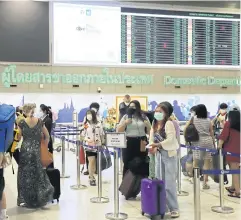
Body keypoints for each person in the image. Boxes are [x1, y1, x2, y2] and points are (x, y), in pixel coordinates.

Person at [17, 103, 54, 208]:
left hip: (25, 151)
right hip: (37, 151)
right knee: (38, 174)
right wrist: (44, 146)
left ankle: (26, 199)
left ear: (24, 111)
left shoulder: (22, 122)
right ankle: (39, 198)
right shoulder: (40, 121)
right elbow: (47, 136)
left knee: (25, 175)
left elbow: (18, 138)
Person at [149, 102, 180, 218]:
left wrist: (158, 144)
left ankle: (174, 208)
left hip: (169, 155)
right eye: (156, 111)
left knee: (170, 183)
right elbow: (151, 138)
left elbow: (171, 139)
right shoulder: (154, 124)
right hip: (159, 155)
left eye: (160, 111)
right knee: (160, 181)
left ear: (166, 113)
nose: (157, 113)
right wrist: (152, 146)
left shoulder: (169, 124)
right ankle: (163, 206)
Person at [117, 100, 151, 176]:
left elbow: (149, 132)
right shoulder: (125, 116)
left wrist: (148, 125)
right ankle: (126, 184)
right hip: (128, 141)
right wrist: (125, 123)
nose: (132, 108)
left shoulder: (143, 117)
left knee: (141, 161)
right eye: (130, 106)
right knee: (127, 162)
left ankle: (140, 183)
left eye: (134, 106)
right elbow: (119, 130)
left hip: (141, 141)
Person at [185, 104, 215, 190]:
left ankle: (196, 179)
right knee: (207, 162)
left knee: (196, 161)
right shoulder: (209, 120)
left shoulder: (194, 119)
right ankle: (205, 182)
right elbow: (211, 132)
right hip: (208, 141)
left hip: (197, 141)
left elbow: (187, 128)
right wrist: (213, 143)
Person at [218, 110, 240, 198]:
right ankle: (233, 187)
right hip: (238, 150)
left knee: (234, 170)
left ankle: (237, 191)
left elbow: (223, 136)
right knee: (235, 169)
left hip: (230, 150)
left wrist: (219, 146)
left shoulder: (228, 124)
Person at [81, 109, 105, 186]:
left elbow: (102, 134)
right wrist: (87, 139)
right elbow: (82, 135)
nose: (89, 116)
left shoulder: (99, 124)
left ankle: (92, 175)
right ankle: (91, 178)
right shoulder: (86, 124)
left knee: (95, 162)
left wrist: (103, 143)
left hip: (98, 145)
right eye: (87, 114)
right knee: (91, 161)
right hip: (89, 145)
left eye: (90, 114)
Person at [83, 102, 101, 175]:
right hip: (89, 143)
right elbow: (83, 131)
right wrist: (86, 139)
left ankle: (96, 169)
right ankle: (89, 170)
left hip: (97, 142)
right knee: (90, 158)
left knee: (96, 156)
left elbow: (101, 131)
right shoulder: (86, 120)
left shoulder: (99, 118)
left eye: (95, 107)